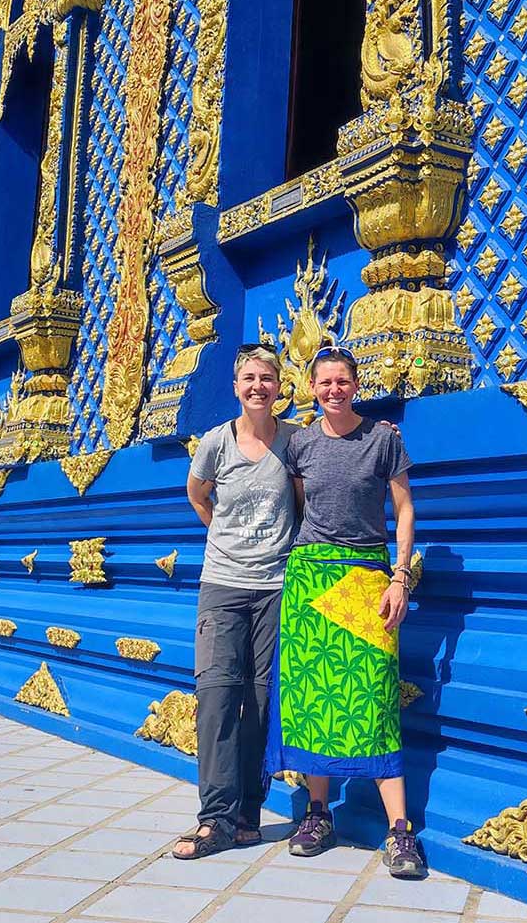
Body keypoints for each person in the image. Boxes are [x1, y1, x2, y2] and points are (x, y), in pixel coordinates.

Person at [265, 344, 427, 879]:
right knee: (316, 700)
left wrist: (400, 576)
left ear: (356, 384)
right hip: (311, 578)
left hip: (366, 577)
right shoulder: (302, 445)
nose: (334, 390)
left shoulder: (383, 440)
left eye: (342, 381)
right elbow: (293, 510)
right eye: (324, 382)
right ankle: (317, 814)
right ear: (312, 388)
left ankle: (400, 832)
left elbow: (404, 510)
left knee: (375, 700)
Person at [175, 344, 297, 859]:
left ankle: (249, 810)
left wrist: (385, 436)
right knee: (219, 698)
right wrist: (223, 539)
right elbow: (197, 495)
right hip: (223, 584)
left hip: (275, 587)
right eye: (249, 377)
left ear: (278, 385)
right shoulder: (215, 443)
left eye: (267, 378)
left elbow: (330, 462)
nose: (258, 387)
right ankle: (214, 818)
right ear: (235, 385)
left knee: (262, 702)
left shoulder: (294, 441)